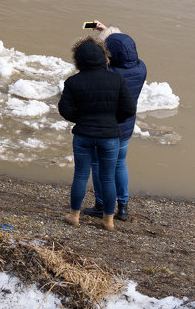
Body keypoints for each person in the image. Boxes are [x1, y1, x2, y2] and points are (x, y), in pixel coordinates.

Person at [57, 38, 136, 231]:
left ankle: (74, 216)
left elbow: (64, 109)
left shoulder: (73, 81)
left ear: (78, 59)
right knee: (107, 177)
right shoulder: (117, 79)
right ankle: (108, 221)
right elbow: (128, 109)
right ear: (103, 57)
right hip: (109, 137)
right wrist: (111, 120)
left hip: (83, 134)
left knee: (81, 175)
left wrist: (81, 118)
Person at [84, 23, 147, 222]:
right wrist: (106, 29)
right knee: (120, 164)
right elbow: (122, 47)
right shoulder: (141, 68)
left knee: (99, 164)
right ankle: (123, 207)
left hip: (106, 127)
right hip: (126, 126)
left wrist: (99, 39)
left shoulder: (109, 74)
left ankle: (101, 205)